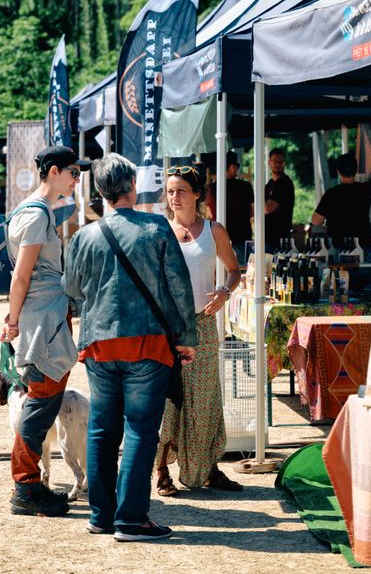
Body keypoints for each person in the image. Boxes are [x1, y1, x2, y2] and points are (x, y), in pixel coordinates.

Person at [63, 153, 197, 542]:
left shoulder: (83, 236)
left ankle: (101, 515)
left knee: (103, 428)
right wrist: (186, 337)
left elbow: (72, 290)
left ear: (101, 192)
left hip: (100, 344)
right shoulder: (155, 227)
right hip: (149, 343)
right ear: (133, 186)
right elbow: (178, 286)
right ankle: (131, 519)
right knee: (140, 430)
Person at [1, 145, 90, 518]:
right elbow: (21, 276)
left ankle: (29, 485)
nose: (77, 178)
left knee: (44, 400)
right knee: (40, 404)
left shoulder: (35, 212)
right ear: (53, 171)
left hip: (45, 320)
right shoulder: (36, 216)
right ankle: (26, 487)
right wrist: (12, 319)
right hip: (42, 324)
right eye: (73, 172)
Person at [156, 162, 242, 495]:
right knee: (168, 400)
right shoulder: (161, 230)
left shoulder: (213, 230)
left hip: (204, 324)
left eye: (180, 191)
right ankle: (162, 469)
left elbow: (234, 271)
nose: (174, 196)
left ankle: (209, 468)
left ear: (196, 195)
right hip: (170, 327)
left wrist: (225, 291)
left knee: (205, 398)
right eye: (170, 191)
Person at [311, 152, 371, 252]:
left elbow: (316, 221)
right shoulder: (367, 190)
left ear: (338, 171)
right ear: (356, 170)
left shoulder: (331, 194)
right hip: (364, 245)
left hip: (339, 246)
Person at [223, 151, 254, 264]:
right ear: (232, 167)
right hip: (242, 239)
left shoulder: (212, 188)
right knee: (243, 276)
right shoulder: (245, 187)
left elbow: (208, 214)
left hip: (219, 241)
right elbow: (253, 211)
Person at [264, 147, 295, 252]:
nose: (278, 164)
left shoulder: (285, 183)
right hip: (266, 237)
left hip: (280, 239)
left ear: (284, 163)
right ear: (269, 162)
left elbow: (267, 209)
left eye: (280, 161)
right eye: (275, 161)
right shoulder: (269, 184)